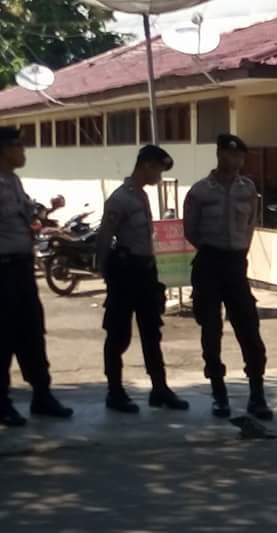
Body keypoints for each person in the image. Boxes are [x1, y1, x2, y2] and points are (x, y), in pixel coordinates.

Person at [183, 134, 273, 421]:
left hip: (236, 264)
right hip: (209, 262)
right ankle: (218, 393)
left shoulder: (248, 189)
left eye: (240, 157)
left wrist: (239, 251)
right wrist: (214, 249)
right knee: (211, 330)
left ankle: (257, 394)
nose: (235, 161)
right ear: (220, 154)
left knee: (249, 328)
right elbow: (191, 230)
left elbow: (250, 223)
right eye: (230, 155)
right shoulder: (200, 191)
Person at [96, 145, 189, 414]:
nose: (160, 175)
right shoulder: (121, 199)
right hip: (125, 274)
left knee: (152, 332)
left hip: (145, 273)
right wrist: (106, 274)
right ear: (146, 165)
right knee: (118, 334)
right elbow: (104, 236)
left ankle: (160, 389)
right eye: (159, 169)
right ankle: (115, 392)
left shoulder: (141, 196)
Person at [0, 126, 73, 427]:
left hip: (21, 269)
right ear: (3, 148)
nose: (23, 151)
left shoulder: (14, 181)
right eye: (18, 146)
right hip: (1, 270)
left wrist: (48, 213)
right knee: (3, 336)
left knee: (32, 331)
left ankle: (42, 395)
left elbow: (28, 216)